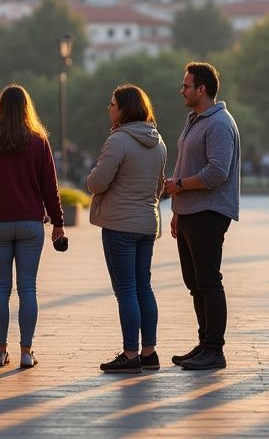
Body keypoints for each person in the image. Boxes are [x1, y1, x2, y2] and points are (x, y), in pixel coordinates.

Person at [0, 85, 65, 369]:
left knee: (0, 289)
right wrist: (58, 222)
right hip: (29, 224)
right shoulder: (38, 141)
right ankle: (26, 352)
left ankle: (0, 351)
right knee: (28, 289)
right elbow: (51, 186)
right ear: (27, 109)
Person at [86, 84, 169, 374]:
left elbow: (97, 183)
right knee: (143, 286)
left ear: (124, 109)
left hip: (119, 224)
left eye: (112, 104)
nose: (109, 109)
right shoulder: (158, 142)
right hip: (147, 222)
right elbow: (160, 186)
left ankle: (130, 354)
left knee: (126, 290)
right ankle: (149, 351)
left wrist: (91, 176)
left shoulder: (118, 141)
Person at [164, 62, 240, 371]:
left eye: (185, 85)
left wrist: (179, 185)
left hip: (209, 212)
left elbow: (217, 172)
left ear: (202, 89)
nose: (181, 90)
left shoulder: (219, 123)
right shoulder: (195, 120)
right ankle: (204, 342)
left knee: (209, 282)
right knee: (195, 283)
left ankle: (214, 349)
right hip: (189, 212)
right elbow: (187, 162)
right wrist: (177, 211)